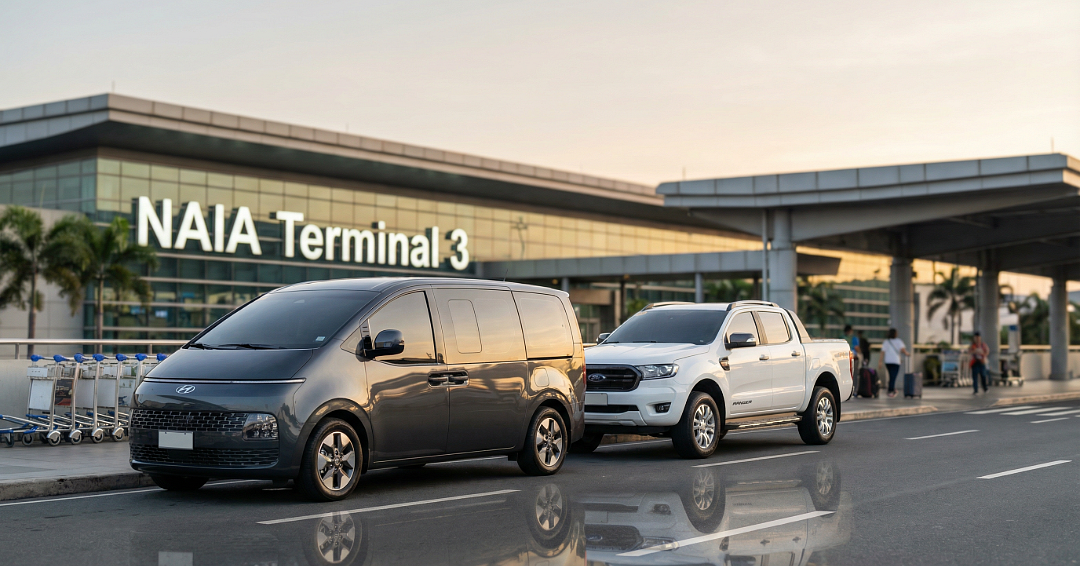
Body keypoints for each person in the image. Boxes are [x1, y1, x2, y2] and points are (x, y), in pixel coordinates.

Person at [880, 328, 910, 398]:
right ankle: (890, 390)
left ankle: (891, 387)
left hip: (888, 361)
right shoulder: (899, 341)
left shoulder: (886, 342)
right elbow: (903, 350)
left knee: (891, 375)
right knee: (893, 376)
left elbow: (882, 352)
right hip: (895, 361)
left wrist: (880, 361)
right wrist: (907, 354)